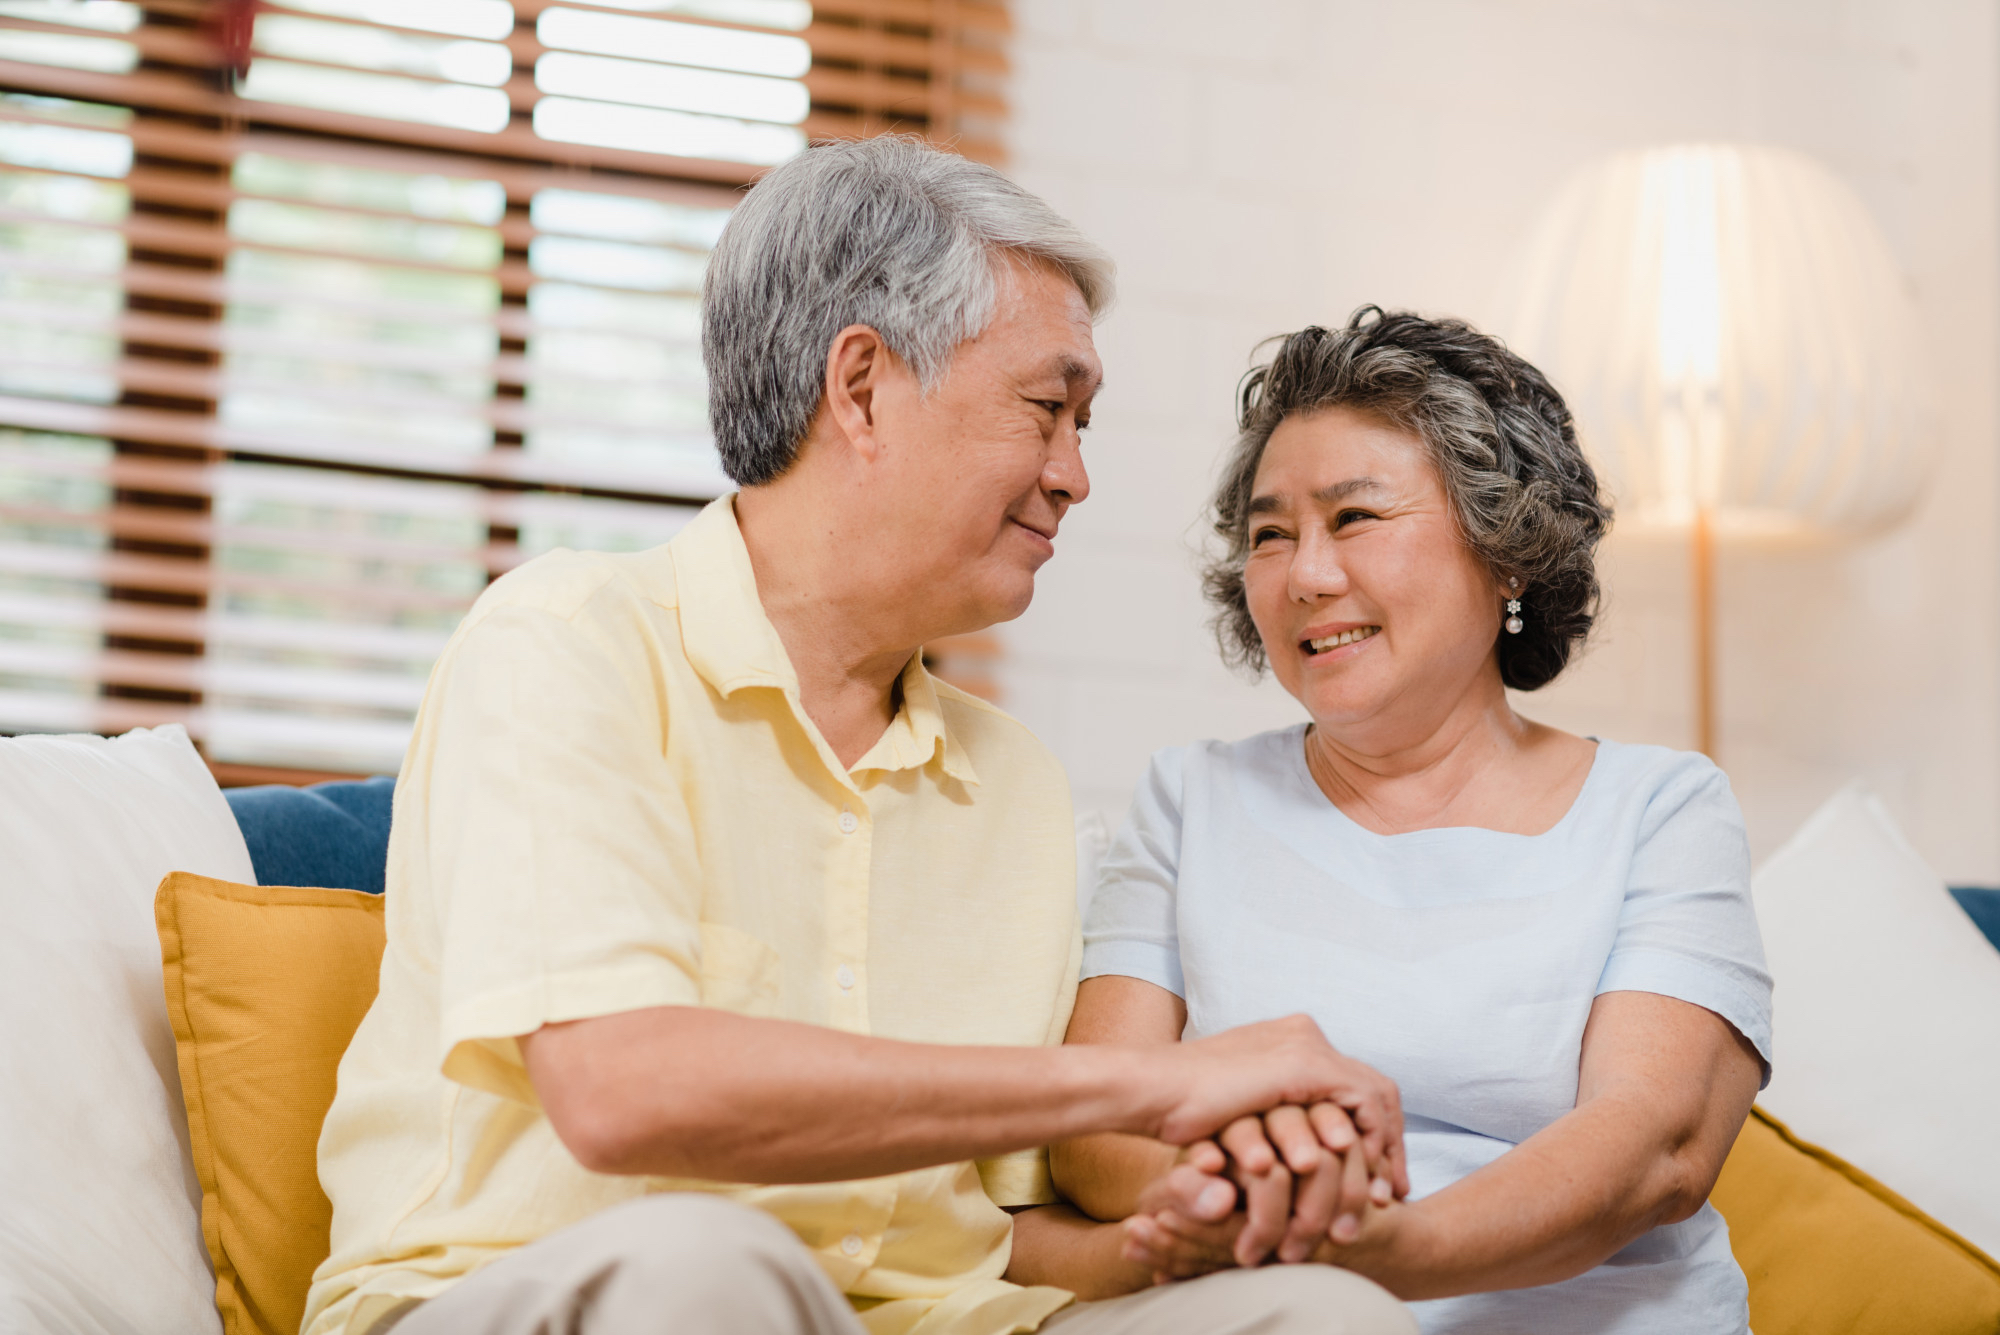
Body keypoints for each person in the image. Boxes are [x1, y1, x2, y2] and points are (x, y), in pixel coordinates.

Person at [301, 140, 1416, 1335]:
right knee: (704, 1266)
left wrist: (1169, 1244)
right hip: (547, 1296)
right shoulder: (567, 641)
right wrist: (1160, 1081)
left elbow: (996, 1242)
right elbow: (620, 1091)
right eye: (1048, 409)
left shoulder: (1014, 786)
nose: (1074, 477)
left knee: (1318, 1313)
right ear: (863, 387)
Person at [1054, 310, 1774, 1333]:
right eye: (1269, 534)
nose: (1304, 575)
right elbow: (1093, 1127)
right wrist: (1261, 1222)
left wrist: (1386, 1252)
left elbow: (1655, 1148)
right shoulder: (1188, 799)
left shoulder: (1660, 807)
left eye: (1352, 519)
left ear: (1504, 548)